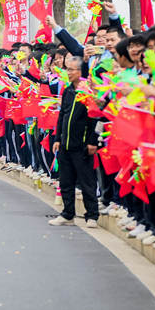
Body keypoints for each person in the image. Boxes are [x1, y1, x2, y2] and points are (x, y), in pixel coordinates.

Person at [48, 55, 100, 227]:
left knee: (87, 181)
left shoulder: (88, 91)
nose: (68, 73)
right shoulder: (68, 90)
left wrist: (92, 141)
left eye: (71, 69)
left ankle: (92, 215)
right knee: (66, 181)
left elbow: (94, 118)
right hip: (65, 144)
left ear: (80, 71)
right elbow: (62, 115)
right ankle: (67, 213)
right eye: (67, 69)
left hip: (82, 145)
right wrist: (57, 138)